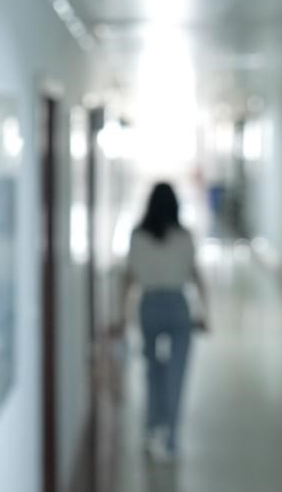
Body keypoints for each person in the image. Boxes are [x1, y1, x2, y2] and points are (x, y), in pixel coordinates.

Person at [114, 182, 209, 462]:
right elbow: (196, 275)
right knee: (176, 373)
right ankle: (171, 439)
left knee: (153, 371)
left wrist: (122, 315)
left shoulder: (137, 236)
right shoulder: (184, 236)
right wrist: (204, 312)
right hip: (178, 307)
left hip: (149, 307)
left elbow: (128, 278)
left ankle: (151, 428)